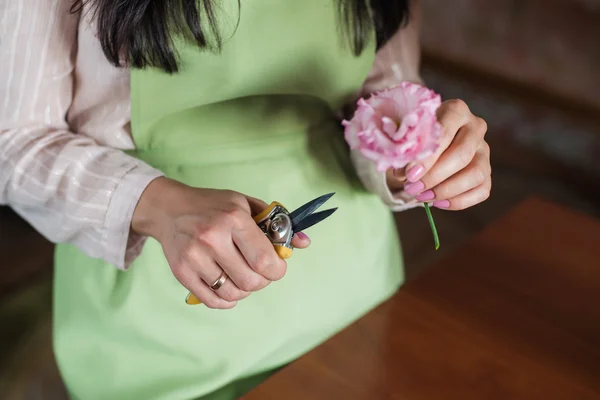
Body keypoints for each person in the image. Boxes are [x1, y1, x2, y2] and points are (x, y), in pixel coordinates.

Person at [0, 0, 491, 398]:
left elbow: (378, 92)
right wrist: (155, 203)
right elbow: (14, 142)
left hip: (352, 292)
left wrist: (419, 156)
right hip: (153, 319)